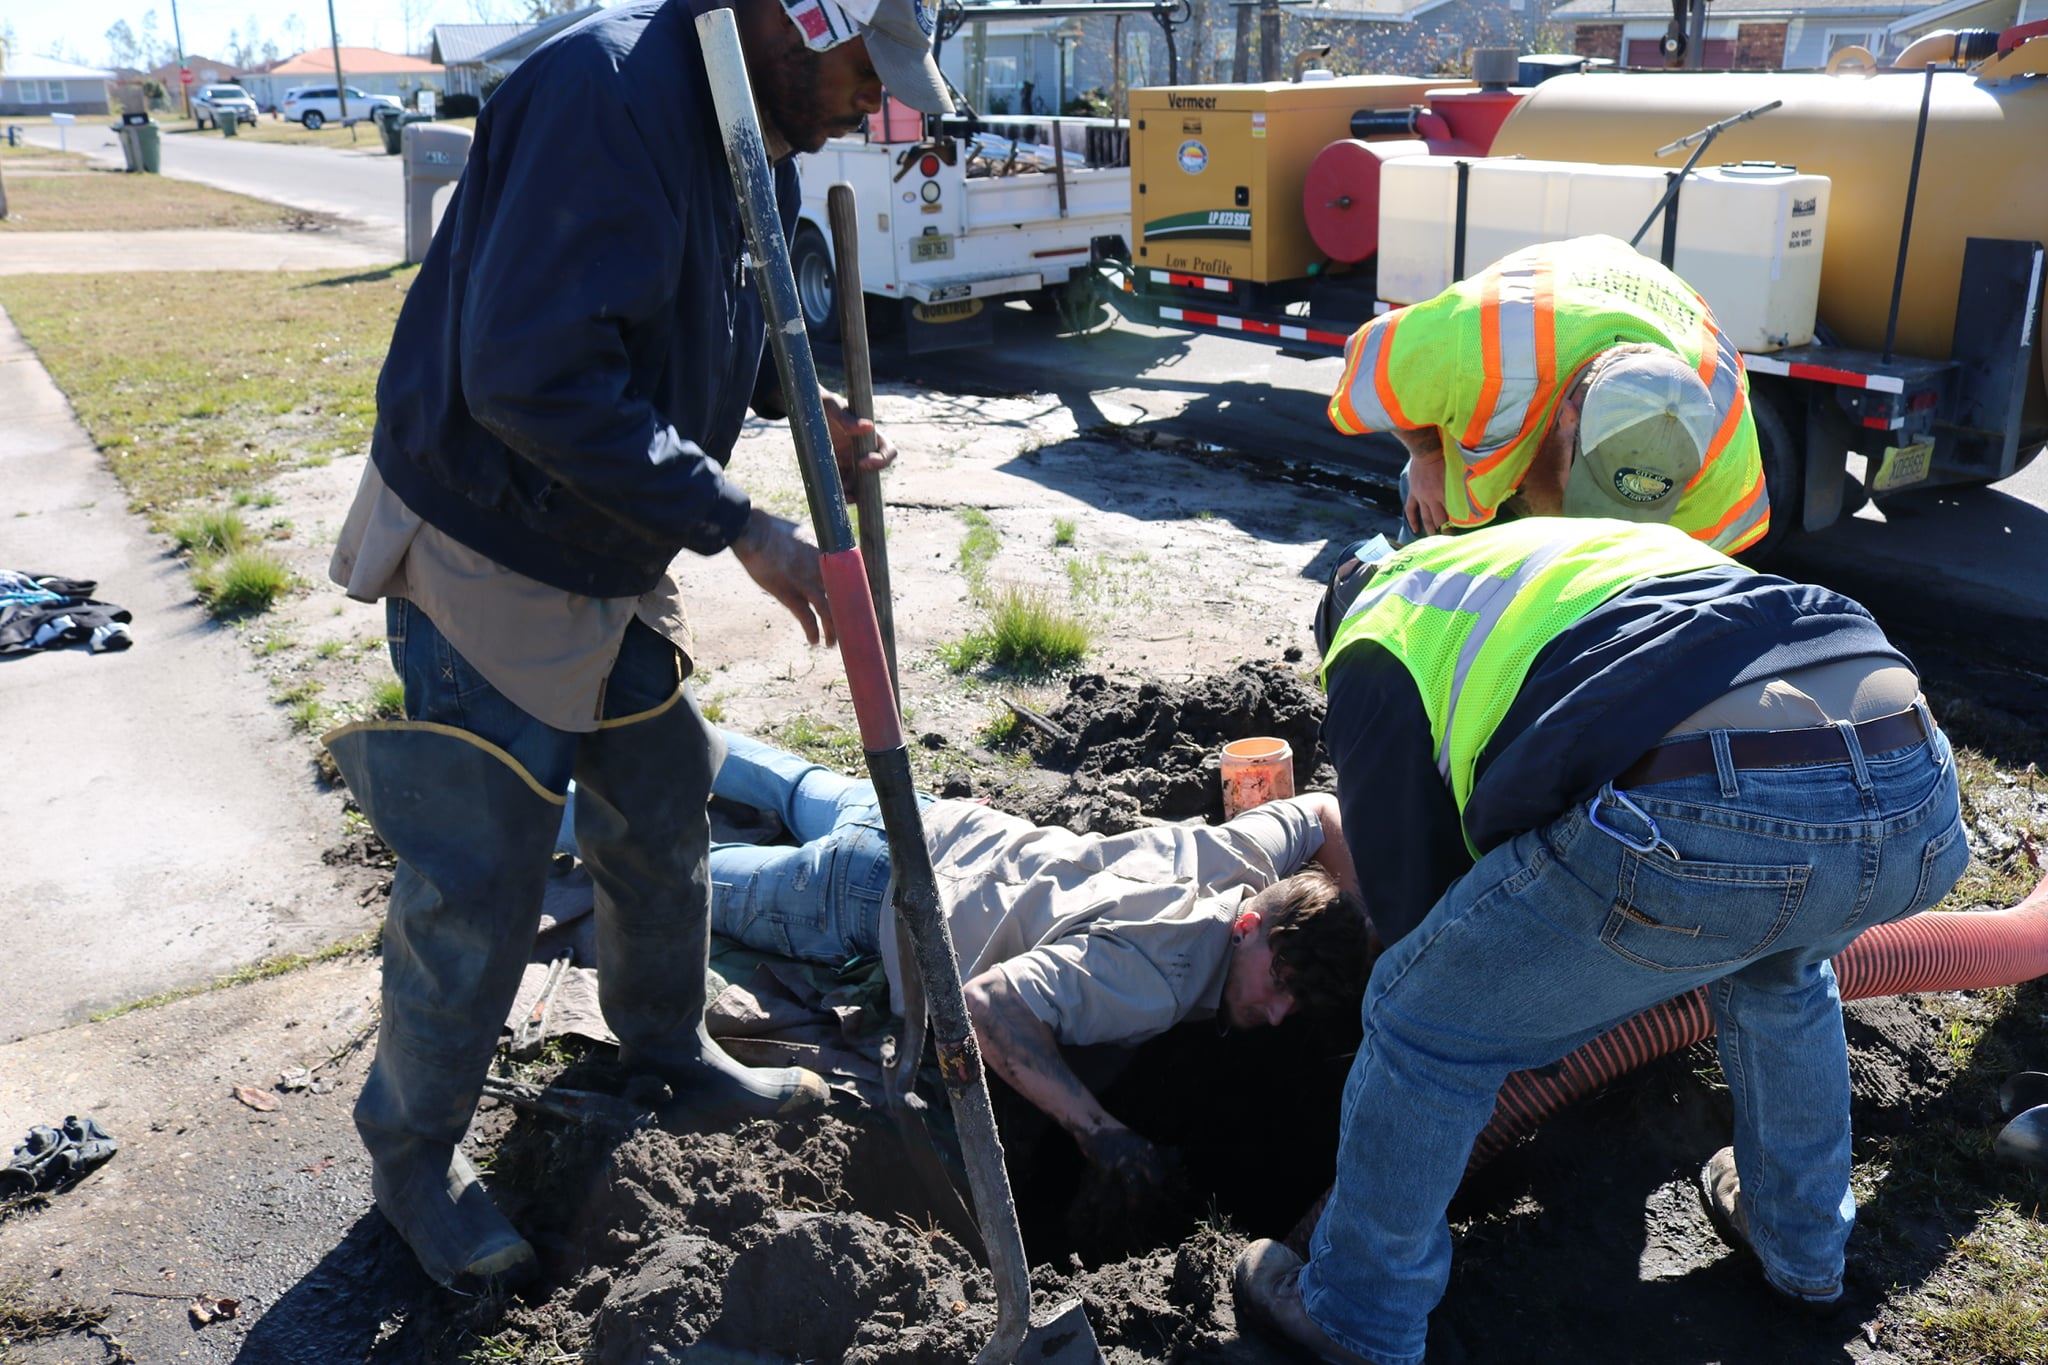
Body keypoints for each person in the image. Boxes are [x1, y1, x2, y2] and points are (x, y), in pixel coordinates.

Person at [319, 0, 953, 1294]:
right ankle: (413, 1161)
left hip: (604, 540)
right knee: (479, 872)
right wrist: (741, 526)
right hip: (489, 539)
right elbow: (530, 373)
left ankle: (664, 1043)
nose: (865, 104)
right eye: (860, 69)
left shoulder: (747, 113)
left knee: (662, 789)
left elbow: (722, 297)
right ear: (794, 13)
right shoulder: (602, 99)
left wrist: (802, 403)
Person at [1232, 517, 1968, 1365]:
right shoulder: (1534, 556)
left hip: (1715, 796)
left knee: (1419, 1016)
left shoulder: (1374, 636)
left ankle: (1354, 1314)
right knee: (1782, 969)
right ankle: (1800, 1245)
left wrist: (1516, 1015)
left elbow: (1420, 914)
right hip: (1913, 780)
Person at [557, 730, 1372, 1184]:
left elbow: (1326, 813)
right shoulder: (1151, 982)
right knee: (655, 870)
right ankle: (533, 818)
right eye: (1280, 987)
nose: (1276, 1014)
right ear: (1246, 931)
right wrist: (1099, 1132)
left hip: (929, 822)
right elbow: (985, 1007)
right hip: (863, 901)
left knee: (764, 769)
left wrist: (1372, 937)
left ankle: (630, 720)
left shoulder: (1244, 855)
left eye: (1294, 1005)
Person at [1329, 235, 1771, 554]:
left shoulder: (1723, 459)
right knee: (1426, 582)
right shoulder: (1481, 348)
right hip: (1546, 302)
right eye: (1590, 491)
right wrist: (1427, 457)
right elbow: (1369, 361)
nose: (1582, 530)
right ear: (1569, 418)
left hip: (1639, 302)